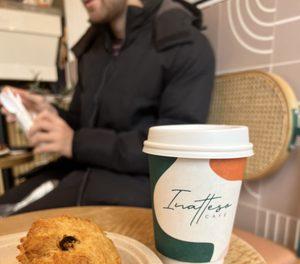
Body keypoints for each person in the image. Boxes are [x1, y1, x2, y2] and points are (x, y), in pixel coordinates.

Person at [0, 0, 215, 214]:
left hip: (137, 190)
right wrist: (50, 113)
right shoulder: (94, 49)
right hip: (81, 173)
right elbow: (81, 123)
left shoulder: (184, 46)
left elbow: (172, 149)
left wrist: (75, 143)